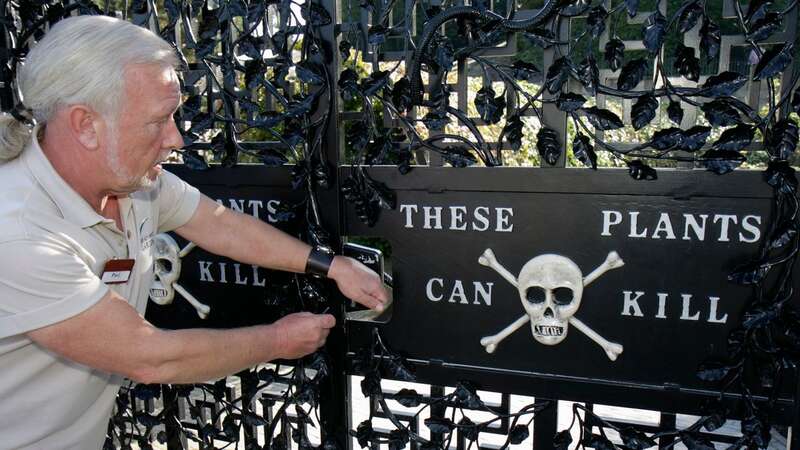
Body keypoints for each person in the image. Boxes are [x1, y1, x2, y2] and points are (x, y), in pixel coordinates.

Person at [0, 15, 388, 450]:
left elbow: (218, 224)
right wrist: (278, 340)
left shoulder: (133, 181)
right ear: (85, 124)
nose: (177, 139)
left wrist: (330, 264)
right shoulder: (17, 233)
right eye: (158, 121)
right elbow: (149, 358)